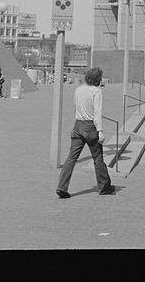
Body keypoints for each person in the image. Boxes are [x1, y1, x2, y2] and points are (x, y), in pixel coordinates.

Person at [55, 66, 115, 198]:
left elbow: (75, 105)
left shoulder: (78, 90)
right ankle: (104, 186)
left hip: (78, 125)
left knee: (71, 158)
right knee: (98, 158)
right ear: (97, 79)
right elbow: (97, 113)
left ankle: (62, 186)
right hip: (90, 126)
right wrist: (100, 131)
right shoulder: (97, 91)